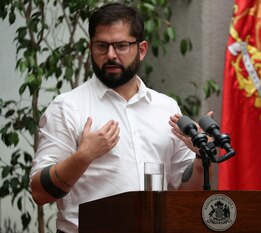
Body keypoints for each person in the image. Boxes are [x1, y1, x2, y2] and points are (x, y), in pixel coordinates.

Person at [29, 3, 207, 233]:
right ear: (91, 48)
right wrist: (84, 155)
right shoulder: (67, 107)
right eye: (102, 46)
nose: (110, 55)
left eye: (121, 46)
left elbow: (184, 195)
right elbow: (39, 193)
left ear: (141, 49)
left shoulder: (166, 107)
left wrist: (202, 159)